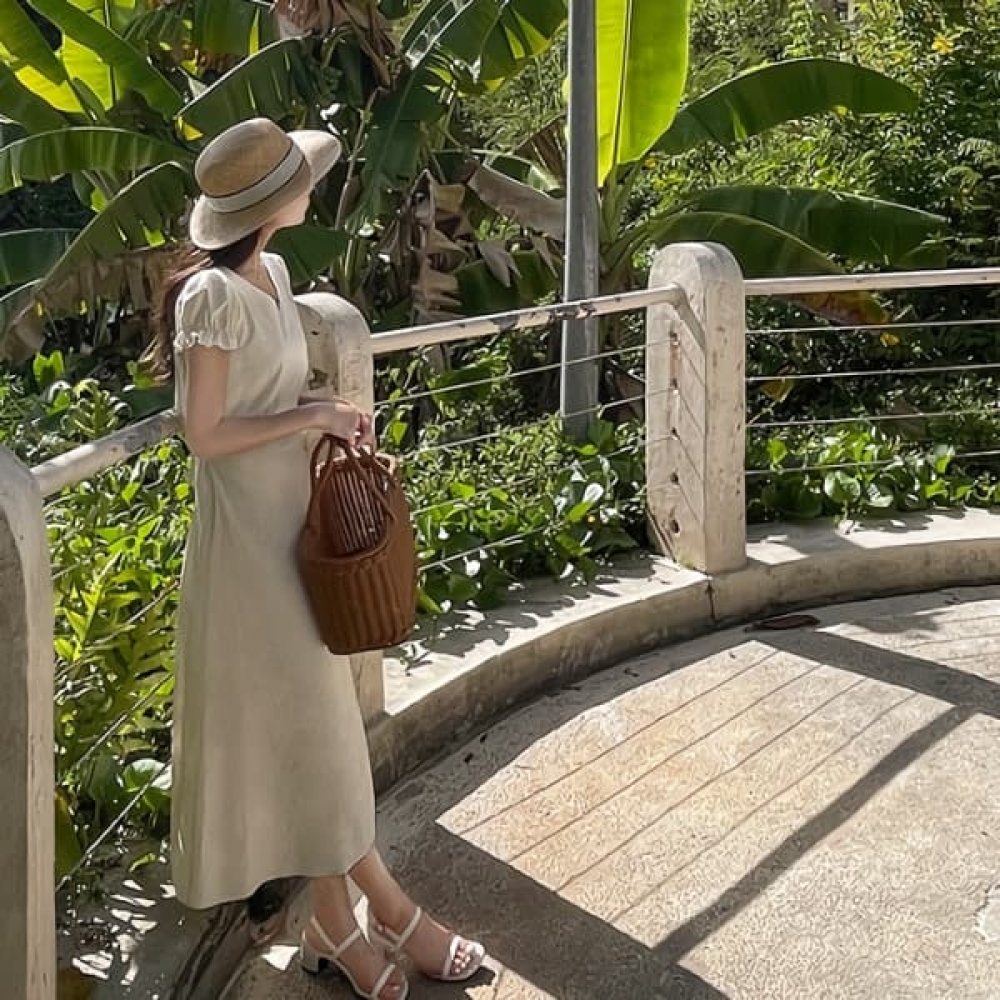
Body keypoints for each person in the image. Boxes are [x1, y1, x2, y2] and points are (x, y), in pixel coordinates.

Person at [146, 117, 485, 1000]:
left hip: (299, 529)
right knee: (319, 736)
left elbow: (269, 393)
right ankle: (391, 914)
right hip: (248, 551)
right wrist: (312, 415)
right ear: (269, 204)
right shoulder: (209, 296)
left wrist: (331, 414)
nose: (313, 185)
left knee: (315, 735)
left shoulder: (277, 275)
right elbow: (205, 433)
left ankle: (336, 926)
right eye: (300, 177)